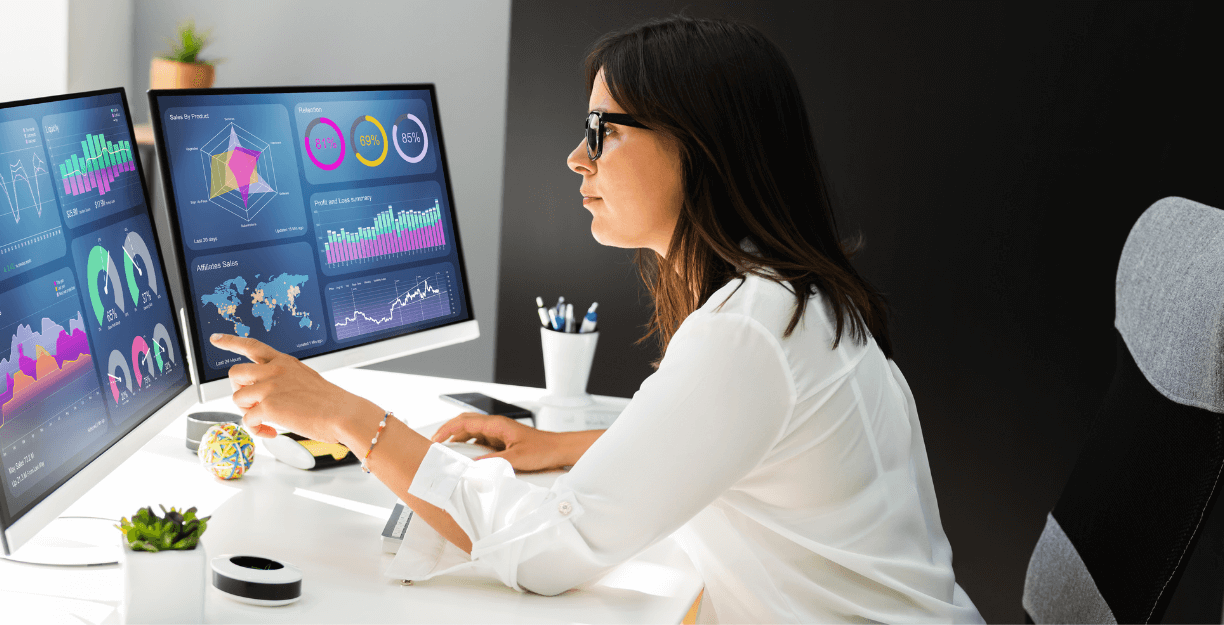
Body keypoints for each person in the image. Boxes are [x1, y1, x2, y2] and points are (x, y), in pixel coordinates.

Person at [210, 14, 983, 623]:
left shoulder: (747, 331)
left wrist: (346, 416)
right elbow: (736, 447)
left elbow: (549, 552)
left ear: (697, 145)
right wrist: (565, 446)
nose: (577, 158)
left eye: (601, 131)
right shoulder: (796, 298)